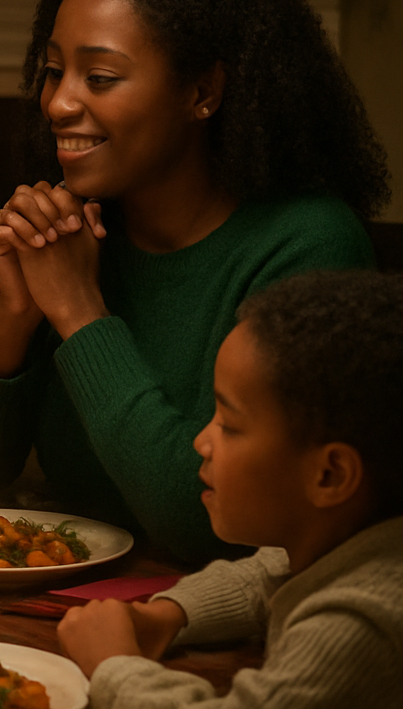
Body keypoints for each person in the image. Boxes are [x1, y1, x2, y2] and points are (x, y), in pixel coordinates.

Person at [0, 0, 388, 563]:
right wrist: (15, 318)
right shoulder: (65, 227)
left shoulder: (307, 245)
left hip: (223, 621)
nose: (57, 103)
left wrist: (81, 313)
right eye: (53, 71)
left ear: (202, 92)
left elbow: (214, 523)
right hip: (58, 599)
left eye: (101, 77)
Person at [56, 270, 403, 707]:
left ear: (329, 475)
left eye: (230, 426)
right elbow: (266, 572)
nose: (202, 441)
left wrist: (115, 665)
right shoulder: (358, 546)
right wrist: (169, 614)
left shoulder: (358, 625)